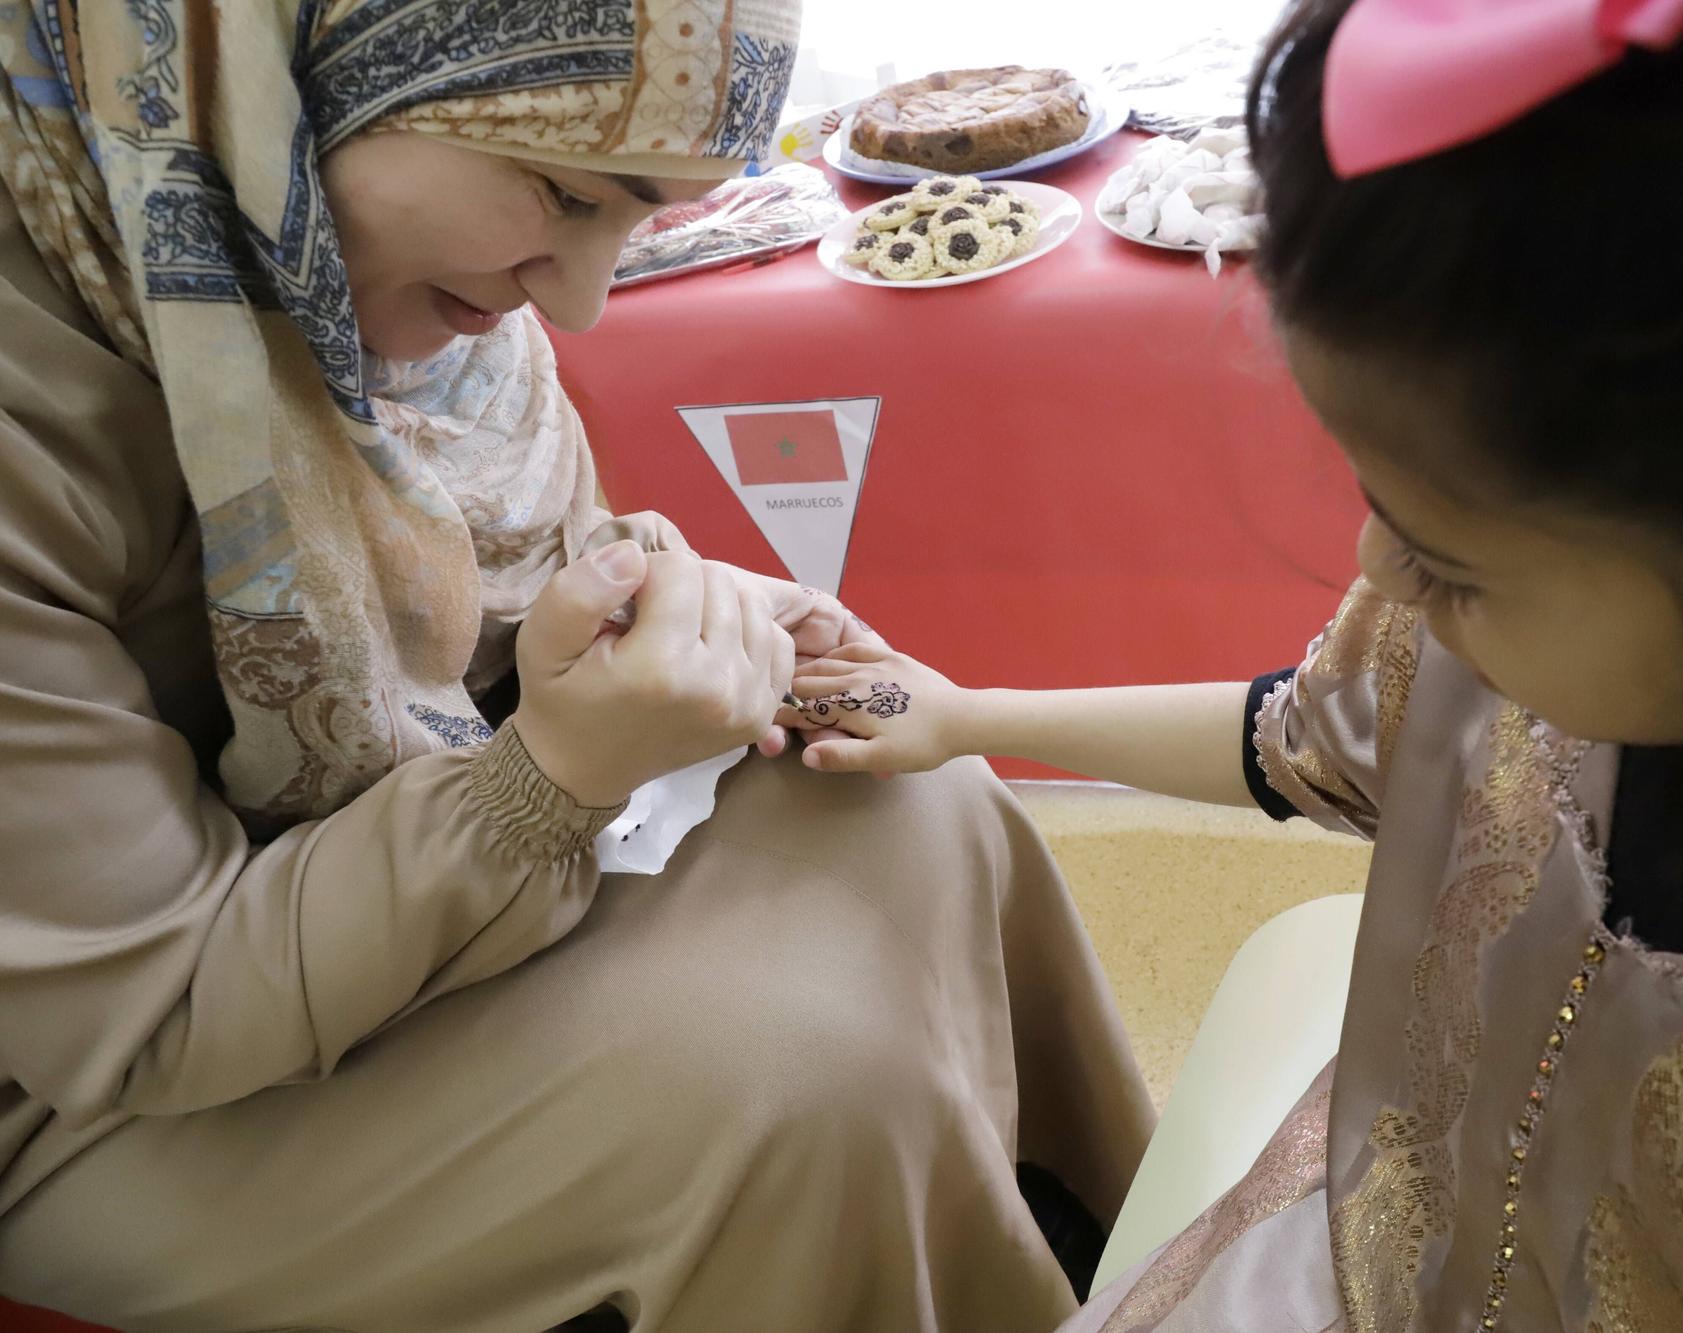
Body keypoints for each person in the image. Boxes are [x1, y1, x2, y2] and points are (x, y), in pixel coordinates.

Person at [784, 0, 1683, 1326]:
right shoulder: (1509, 647)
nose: (1375, 569)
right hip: (1346, 1254)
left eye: (1450, 558)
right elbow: (1309, 738)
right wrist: (965, 715)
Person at [0, 3, 1154, 1329]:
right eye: (569, 193)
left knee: (909, 789)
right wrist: (545, 781)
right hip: (87, 1069)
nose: (585, 300)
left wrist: (700, 632)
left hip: (341, 868)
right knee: (804, 1086)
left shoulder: (285, 206)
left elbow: (507, 586)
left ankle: (1090, 1271)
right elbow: (146, 1007)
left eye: (641, 217)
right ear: (316, 63)